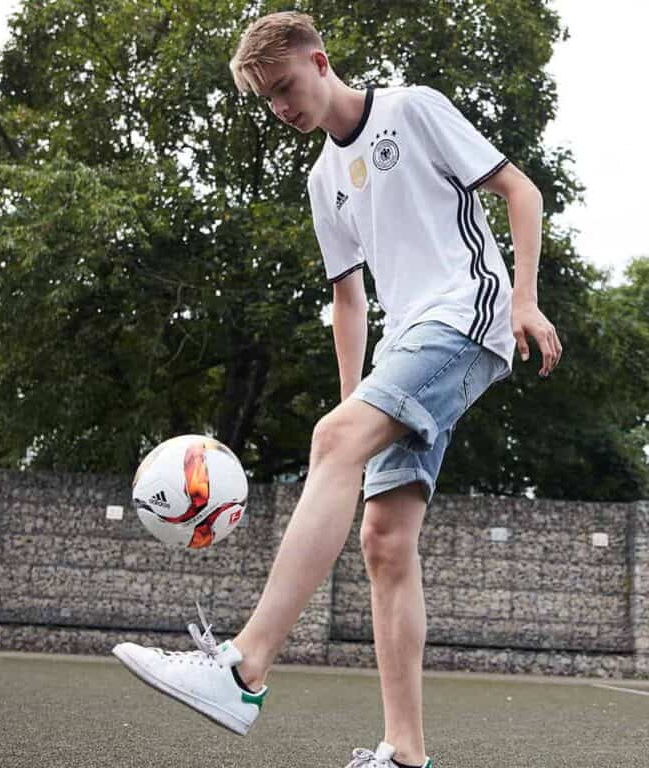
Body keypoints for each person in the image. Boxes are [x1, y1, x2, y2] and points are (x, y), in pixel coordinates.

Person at [112, 11, 562, 767]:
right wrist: (350, 404)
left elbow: (522, 190)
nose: (282, 107)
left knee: (337, 444)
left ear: (320, 62)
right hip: (404, 341)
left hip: (465, 312)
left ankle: (243, 668)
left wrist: (522, 298)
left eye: (286, 86)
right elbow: (348, 301)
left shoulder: (412, 109)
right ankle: (406, 753)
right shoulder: (325, 180)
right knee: (384, 540)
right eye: (267, 100)